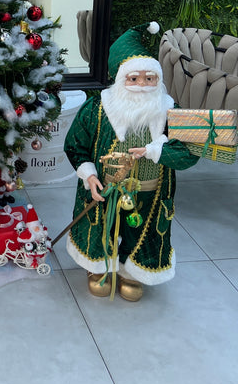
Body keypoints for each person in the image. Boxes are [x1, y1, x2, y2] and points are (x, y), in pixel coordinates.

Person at [63, 23, 199, 302]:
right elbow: (75, 145)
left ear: (158, 80)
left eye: (149, 79)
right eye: (133, 78)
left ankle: (132, 272)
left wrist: (155, 151)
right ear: (120, 79)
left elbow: (189, 154)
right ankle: (98, 267)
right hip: (106, 188)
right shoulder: (97, 108)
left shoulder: (171, 112)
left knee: (142, 232)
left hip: (151, 191)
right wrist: (89, 175)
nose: (142, 85)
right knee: (101, 228)